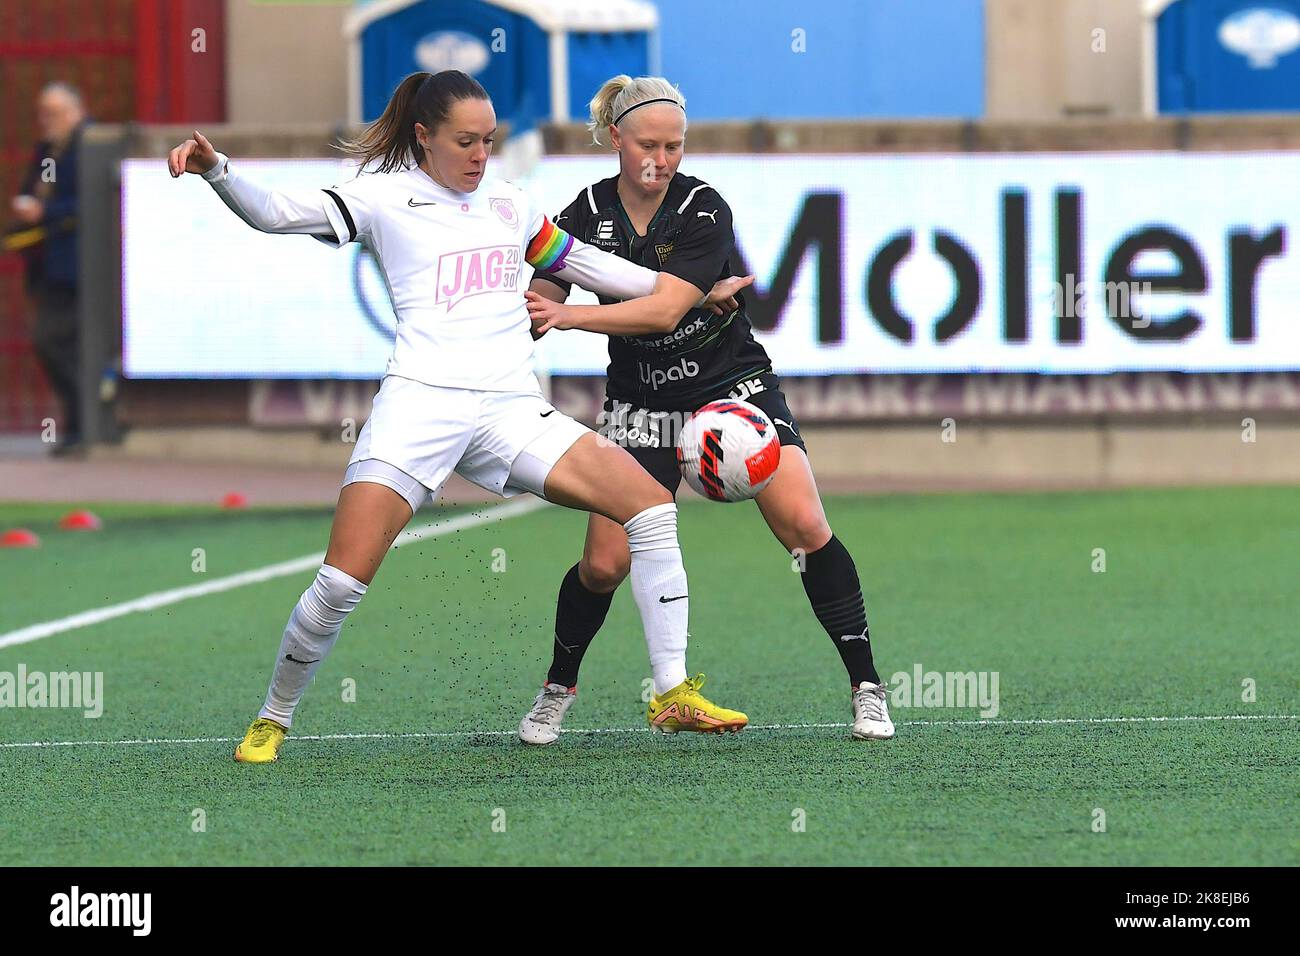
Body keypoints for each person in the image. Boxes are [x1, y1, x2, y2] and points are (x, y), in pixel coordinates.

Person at [166, 70, 754, 763]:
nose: (480, 155)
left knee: (649, 508)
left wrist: (691, 294)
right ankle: (274, 716)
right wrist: (217, 170)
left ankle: (670, 690)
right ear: (424, 137)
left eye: (489, 141)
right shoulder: (382, 197)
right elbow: (275, 213)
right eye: (465, 141)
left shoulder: (509, 204)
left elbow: (593, 267)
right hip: (420, 408)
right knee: (341, 583)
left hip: (509, 409)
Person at [517, 75, 894, 745]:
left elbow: (661, 307)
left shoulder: (701, 208)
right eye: (647, 146)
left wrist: (567, 314)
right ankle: (557, 687)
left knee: (806, 527)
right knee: (604, 564)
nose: (660, 160)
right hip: (642, 402)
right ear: (615, 139)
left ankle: (867, 688)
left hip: (730, 387)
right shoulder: (584, 212)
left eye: (674, 146)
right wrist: (528, 306)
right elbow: (541, 285)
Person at [9, 82, 89, 455]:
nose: (46, 121)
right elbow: (42, 187)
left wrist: (47, 212)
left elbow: (88, 202)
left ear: (75, 112)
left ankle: (86, 423)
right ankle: (79, 428)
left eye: (53, 113)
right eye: (43, 113)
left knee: (54, 340)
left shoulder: (88, 145)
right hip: (45, 265)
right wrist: (31, 207)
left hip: (79, 266)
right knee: (58, 343)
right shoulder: (49, 152)